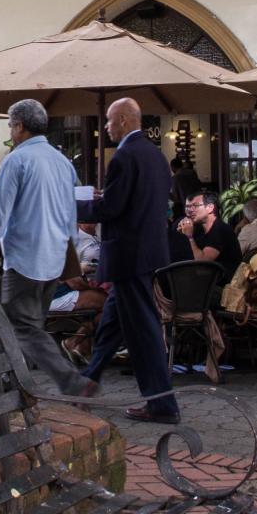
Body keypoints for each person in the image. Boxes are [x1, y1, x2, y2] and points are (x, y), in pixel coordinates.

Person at [0, 99, 90, 395]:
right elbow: (70, 214)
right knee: (30, 327)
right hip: (54, 260)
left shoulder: (16, 160)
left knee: (20, 328)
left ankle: (68, 381)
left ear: (19, 126)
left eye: (10, 124)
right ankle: (16, 385)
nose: (11, 129)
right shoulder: (63, 162)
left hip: (24, 259)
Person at [80, 98, 181, 423]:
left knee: (144, 331)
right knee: (113, 322)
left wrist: (74, 205)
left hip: (128, 254)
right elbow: (137, 201)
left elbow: (112, 209)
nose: (106, 127)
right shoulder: (155, 155)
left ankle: (163, 405)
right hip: (146, 251)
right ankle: (88, 380)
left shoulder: (124, 156)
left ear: (123, 120)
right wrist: (106, 198)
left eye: (109, 121)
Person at [171, 190, 239, 272]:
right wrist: (180, 236)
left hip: (224, 282)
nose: (189, 210)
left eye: (195, 206)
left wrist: (189, 236)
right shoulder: (197, 228)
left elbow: (202, 263)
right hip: (203, 278)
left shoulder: (220, 229)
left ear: (210, 208)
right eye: (187, 206)